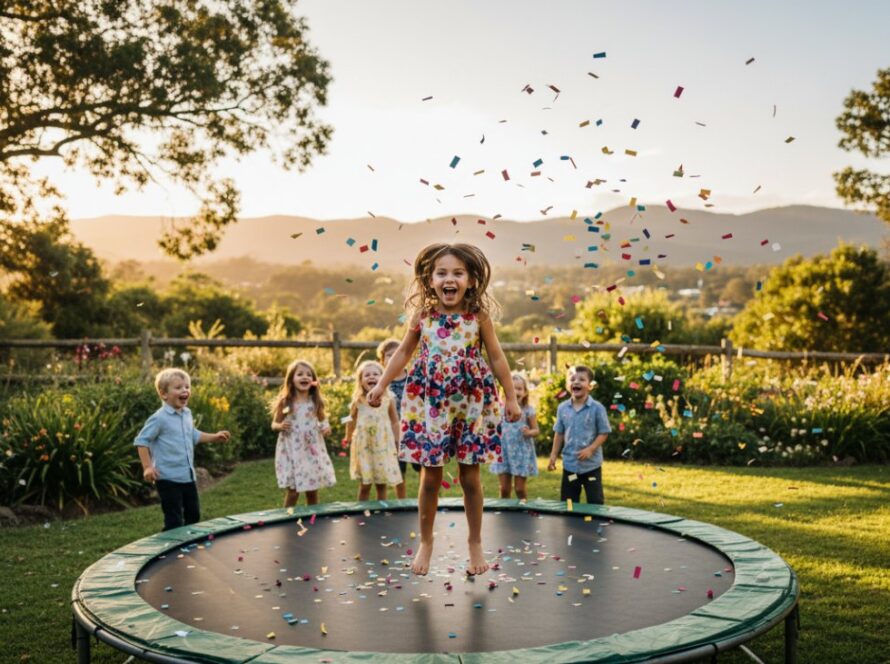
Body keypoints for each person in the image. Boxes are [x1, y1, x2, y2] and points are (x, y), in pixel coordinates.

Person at [367, 242, 520, 576]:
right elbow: (403, 353)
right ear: (430, 278)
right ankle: (426, 541)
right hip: (431, 404)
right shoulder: (423, 315)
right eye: (442, 273)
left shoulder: (478, 315)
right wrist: (381, 385)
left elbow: (496, 356)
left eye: (457, 273)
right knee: (430, 476)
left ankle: (475, 541)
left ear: (470, 279)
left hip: (470, 403)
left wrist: (511, 396)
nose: (449, 279)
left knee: (470, 477)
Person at [135, 368, 230, 531]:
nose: (185, 390)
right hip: (167, 478)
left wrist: (214, 437)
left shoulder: (186, 413)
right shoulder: (159, 418)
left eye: (187, 387)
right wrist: (147, 467)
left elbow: (193, 435)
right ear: (164, 394)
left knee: (193, 515)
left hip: (187, 476)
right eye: (178, 387)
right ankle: (169, 551)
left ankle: (187, 548)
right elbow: (141, 441)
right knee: (174, 521)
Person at [271, 359, 337, 507]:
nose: (305, 377)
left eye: (308, 375)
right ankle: (286, 519)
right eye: (299, 374)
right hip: (292, 451)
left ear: (313, 381)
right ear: (291, 380)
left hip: (310, 452)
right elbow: (274, 424)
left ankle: (313, 518)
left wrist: (326, 428)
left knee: (312, 490)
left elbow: (323, 421)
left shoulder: (315, 402)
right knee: (293, 492)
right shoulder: (286, 402)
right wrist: (280, 426)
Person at [547, 365, 611, 504]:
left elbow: (604, 432)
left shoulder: (597, 408)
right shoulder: (562, 408)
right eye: (572, 379)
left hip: (591, 467)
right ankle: (570, 525)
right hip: (570, 466)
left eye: (582, 379)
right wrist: (553, 455)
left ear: (590, 386)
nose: (576, 382)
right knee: (569, 502)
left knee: (595, 501)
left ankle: (596, 524)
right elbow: (559, 433)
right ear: (567, 384)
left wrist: (590, 449)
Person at [345, 360, 403, 500]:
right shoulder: (358, 400)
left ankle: (381, 512)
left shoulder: (388, 399)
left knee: (381, 484)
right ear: (360, 381)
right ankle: (362, 513)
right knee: (365, 484)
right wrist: (348, 437)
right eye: (367, 375)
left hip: (383, 446)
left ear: (383, 378)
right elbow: (351, 420)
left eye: (376, 374)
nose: (371, 377)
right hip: (364, 447)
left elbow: (395, 421)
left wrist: (398, 440)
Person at [490, 372, 539, 500]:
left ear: (525, 392)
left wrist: (529, 433)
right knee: (504, 489)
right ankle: (504, 514)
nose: (515, 391)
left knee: (519, 489)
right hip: (504, 452)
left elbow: (536, 430)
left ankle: (523, 510)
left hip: (522, 453)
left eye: (519, 388)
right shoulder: (500, 409)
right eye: (512, 388)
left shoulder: (528, 410)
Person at [377, 337, 416, 494]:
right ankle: (402, 500)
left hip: (413, 430)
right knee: (399, 471)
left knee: (421, 467)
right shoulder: (382, 383)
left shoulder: (413, 378)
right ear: (382, 360)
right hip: (392, 434)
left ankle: (426, 496)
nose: (394, 358)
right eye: (389, 355)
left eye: (397, 354)